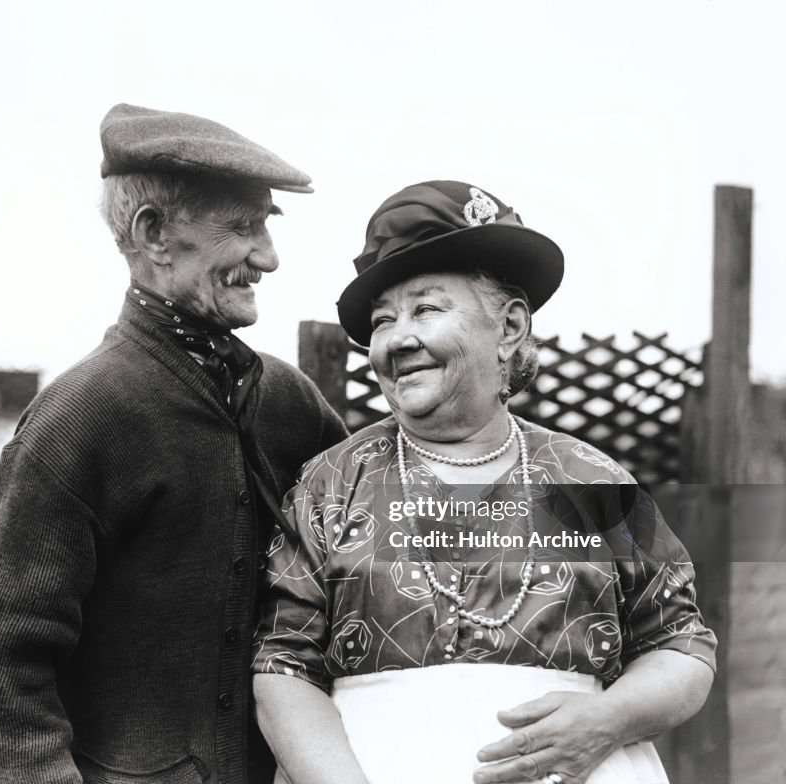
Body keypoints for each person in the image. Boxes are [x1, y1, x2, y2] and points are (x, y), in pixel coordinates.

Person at [251, 180, 716, 784]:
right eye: (382, 320)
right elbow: (283, 667)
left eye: (426, 308)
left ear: (511, 326)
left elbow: (681, 645)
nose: (397, 339)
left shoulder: (590, 482)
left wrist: (608, 719)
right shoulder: (331, 485)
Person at [0, 103, 348, 784]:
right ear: (154, 233)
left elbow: (369, 564)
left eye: (266, 227)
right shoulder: (80, 418)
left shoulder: (287, 401)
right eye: (244, 227)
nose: (268, 258)